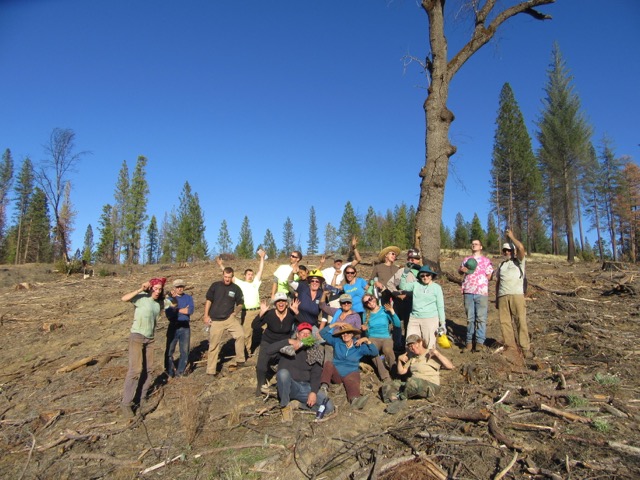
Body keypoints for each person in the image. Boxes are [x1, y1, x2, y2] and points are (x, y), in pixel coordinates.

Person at [120, 277, 170, 418]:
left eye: (160, 289)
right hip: (137, 336)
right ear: (151, 288)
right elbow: (124, 298)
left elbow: (172, 304)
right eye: (155, 288)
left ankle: (140, 398)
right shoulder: (141, 297)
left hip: (150, 339)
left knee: (148, 370)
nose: (157, 291)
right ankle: (126, 403)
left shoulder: (158, 304)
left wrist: (173, 296)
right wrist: (141, 289)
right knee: (135, 370)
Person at [264, 322, 334, 422]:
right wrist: (288, 341)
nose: (305, 335)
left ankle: (298, 404)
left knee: (328, 407)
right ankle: (285, 406)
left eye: (308, 333)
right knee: (283, 373)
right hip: (290, 386)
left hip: (306, 388)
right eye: (302, 333)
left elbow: (316, 373)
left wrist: (313, 392)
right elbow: (268, 350)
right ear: (297, 334)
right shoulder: (287, 348)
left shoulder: (314, 351)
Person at [384, 334, 454, 413]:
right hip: (413, 384)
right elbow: (401, 372)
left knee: (413, 382)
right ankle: (394, 400)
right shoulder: (413, 358)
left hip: (430, 385)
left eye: (414, 344)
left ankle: (400, 398)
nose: (413, 348)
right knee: (389, 385)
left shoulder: (431, 353)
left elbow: (450, 366)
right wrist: (399, 360)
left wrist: (437, 353)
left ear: (420, 343)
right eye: (410, 346)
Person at [217, 249, 266, 356]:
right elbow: (229, 275)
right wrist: (221, 265)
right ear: (244, 275)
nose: (251, 276)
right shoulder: (240, 284)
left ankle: (267, 350)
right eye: (248, 274)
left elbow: (260, 270)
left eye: (252, 274)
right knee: (246, 334)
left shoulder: (255, 283)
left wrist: (262, 258)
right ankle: (246, 353)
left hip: (258, 311)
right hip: (247, 312)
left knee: (268, 329)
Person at [319, 323, 379, 409]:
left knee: (353, 379)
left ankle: (354, 400)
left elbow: (375, 352)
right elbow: (322, 333)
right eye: (343, 333)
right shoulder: (337, 341)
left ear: (352, 334)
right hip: (336, 374)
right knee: (328, 364)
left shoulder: (359, 346)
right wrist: (335, 324)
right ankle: (324, 388)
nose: (345, 335)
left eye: (348, 333)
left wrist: (366, 340)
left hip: (350, 372)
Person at [252, 293, 300, 396]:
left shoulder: (291, 314)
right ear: (275, 303)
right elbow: (255, 326)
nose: (281, 303)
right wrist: (261, 313)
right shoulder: (270, 314)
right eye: (278, 301)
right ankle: (260, 385)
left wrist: (297, 312)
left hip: (284, 343)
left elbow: (304, 324)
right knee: (261, 366)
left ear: (287, 303)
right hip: (268, 341)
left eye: (283, 301)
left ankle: (282, 385)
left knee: (286, 366)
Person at [496, 229, 531, 358]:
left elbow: (521, 247)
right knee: (505, 322)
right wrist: (496, 298)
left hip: (517, 295)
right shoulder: (501, 265)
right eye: (504, 250)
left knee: (520, 321)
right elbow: (498, 282)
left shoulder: (519, 262)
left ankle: (525, 348)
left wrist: (512, 236)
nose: (506, 252)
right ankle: (510, 347)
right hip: (503, 296)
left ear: (513, 252)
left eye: (509, 250)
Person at [204, 267, 245, 375]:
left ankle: (240, 360)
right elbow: (208, 301)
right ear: (223, 275)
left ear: (232, 277)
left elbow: (240, 303)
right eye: (225, 277)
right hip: (215, 320)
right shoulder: (215, 286)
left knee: (240, 335)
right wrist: (206, 315)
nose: (227, 279)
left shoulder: (236, 288)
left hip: (229, 318)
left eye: (229, 277)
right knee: (213, 346)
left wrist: (235, 312)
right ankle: (211, 370)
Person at [459, 240, 494, 353]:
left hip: (481, 292)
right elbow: (460, 271)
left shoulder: (486, 261)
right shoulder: (466, 260)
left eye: (476, 244)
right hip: (468, 291)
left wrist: (479, 278)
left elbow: (489, 275)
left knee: (481, 318)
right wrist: (462, 270)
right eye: (472, 244)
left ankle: (479, 342)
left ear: (481, 247)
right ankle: (469, 342)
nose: (474, 245)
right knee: (470, 318)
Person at [399, 265, 445, 349]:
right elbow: (402, 286)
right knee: (411, 342)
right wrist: (405, 273)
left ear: (431, 276)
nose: (425, 277)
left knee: (429, 344)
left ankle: (429, 361)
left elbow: (440, 306)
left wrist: (442, 323)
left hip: (430, 319)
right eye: (422, 275)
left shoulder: (437, 288)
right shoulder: (415, 284)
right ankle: (413, 360)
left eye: (427, 275)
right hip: (414, 318)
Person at [386, 248, 423, 352]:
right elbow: (390, 283)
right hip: (401, 302)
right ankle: (397, 345)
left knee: (410, 325)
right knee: (397, 324)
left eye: (415, 259)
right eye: (410, 258)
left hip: (415, 302)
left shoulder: (423, 272)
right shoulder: (402, 271)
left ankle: (409, 346)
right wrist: (397, 294)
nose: (412, 261)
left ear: (418, 260)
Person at [361, 294, 400, 383]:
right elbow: (367, 333)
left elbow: (397, 324)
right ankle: (385, 376)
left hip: (385, 337)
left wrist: (392, 312)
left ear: (374, 298)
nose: (370, 302)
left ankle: (395, 373)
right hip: (373, 337)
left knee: (387, 349)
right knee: (373, 350)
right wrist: (365, 329)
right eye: (366, 302)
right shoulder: (365, 314)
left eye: (370, 299)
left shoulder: (384, 310)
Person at [164, 278, 195, 378]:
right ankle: (169, 371)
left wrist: (176, 310)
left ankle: (180, 372)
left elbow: (190, 311)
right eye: (178, 287)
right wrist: (181, 310)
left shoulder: (188, 298)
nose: (180, 289)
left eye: (181, 286)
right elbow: (169, 313)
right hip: (173, 326)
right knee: (169, 350)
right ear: (174, 288)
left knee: (184, 350)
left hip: (185, 326)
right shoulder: (169, 299)